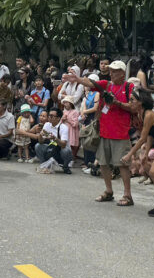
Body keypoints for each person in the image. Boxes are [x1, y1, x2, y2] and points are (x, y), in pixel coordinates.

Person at [64, 61, 138, 207]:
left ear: (123, 73)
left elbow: (134, 108)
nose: (112, 73)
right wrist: (78, 80)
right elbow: (91, 83)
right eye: (111, 71)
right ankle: (109, 191)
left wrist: (117, 103)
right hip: (104, 131)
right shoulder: (107, 85)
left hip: (121, 132)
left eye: (115, 71)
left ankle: (127, 195)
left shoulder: (129, 87)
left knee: (123, 164)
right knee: (103, 163)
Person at [34, 108, 72, 175]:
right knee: (38, 146)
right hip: (51, 148)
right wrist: (40, 135)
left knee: (66, 151)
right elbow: (41, 141)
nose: (49, 117)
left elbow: (63, 145)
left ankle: (65, 166)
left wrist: (55, 139)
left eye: (52, 116)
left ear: (58, 118)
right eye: (49, 115)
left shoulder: (63, 127)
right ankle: (45, 165)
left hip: (60, 150)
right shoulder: (47, 125)